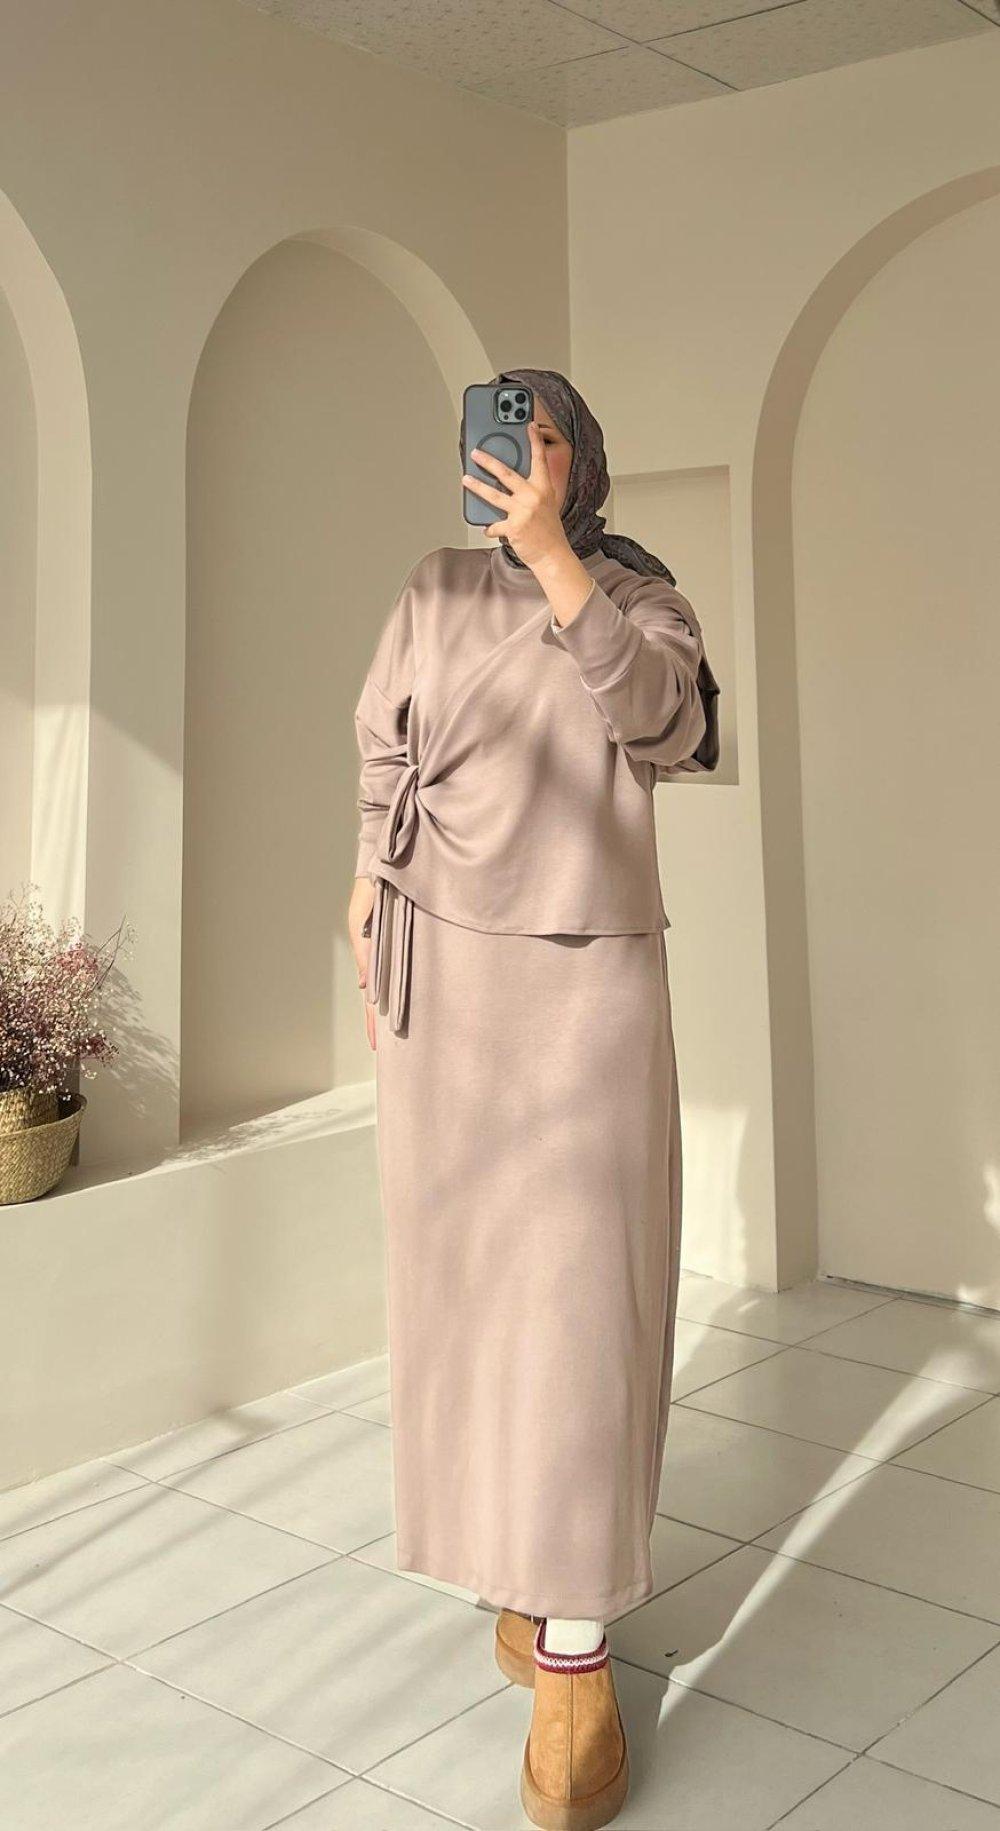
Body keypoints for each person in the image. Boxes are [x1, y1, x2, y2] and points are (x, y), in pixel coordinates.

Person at [347, 368, 720, 1829]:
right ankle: (519, 1570)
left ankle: (575, 1658)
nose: (523, 459)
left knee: (578, 1304)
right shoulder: (434, 587)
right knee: (470, 1287)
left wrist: (561, 563)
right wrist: (363, 888)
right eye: (503, 438)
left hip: (583, 985)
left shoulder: (641, 597)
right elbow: (383, 745)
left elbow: (666, 725)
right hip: (438, 964)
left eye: (548, 437)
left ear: (584, 463)